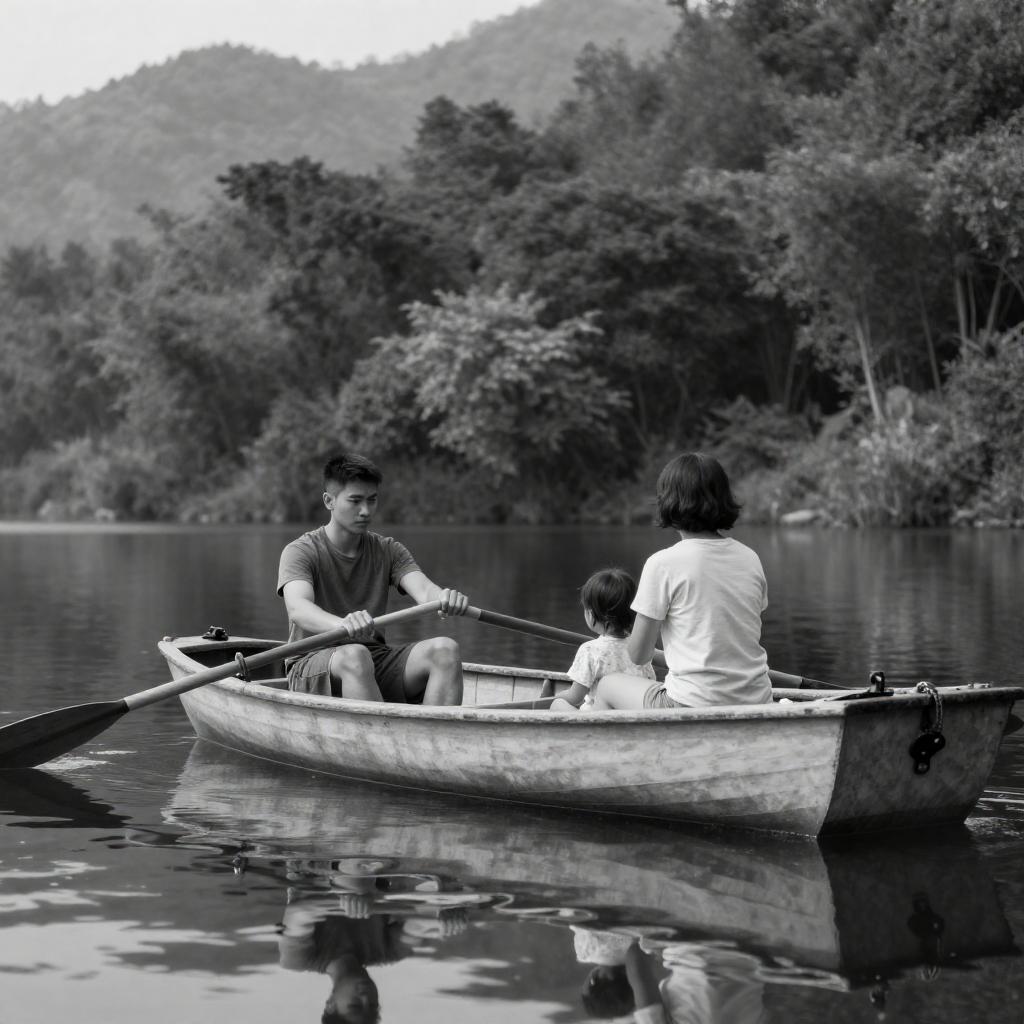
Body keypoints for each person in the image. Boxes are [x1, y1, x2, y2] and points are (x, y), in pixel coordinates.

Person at [277, 453, 469, 705]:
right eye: (355, 501)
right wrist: (342, 624)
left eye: (372, 500)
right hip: (311, 663)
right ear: (329, 501)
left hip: (372, 658)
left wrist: (443, 597)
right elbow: (299, 608)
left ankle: (429, 730)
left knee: (446, 650)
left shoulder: (388, 549)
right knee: (355, 656)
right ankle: (385, 729)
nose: (365, 511)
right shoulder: (300, 551)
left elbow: (424, 591)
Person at [591, 453, 771, 711]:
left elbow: (638, 655)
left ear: (669, 502)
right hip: (758, 699)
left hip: (691, 703)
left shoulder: (662, 564)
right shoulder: (750, 558)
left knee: (607, 685)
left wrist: (613, 642)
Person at [549, 568, 656, 712]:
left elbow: (575, 697)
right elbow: (650, 682)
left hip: (598, 717)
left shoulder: (589, 650)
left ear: (592, 614)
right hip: (632, 715)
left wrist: (556, 697)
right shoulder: (640, 648)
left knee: (557, 705)